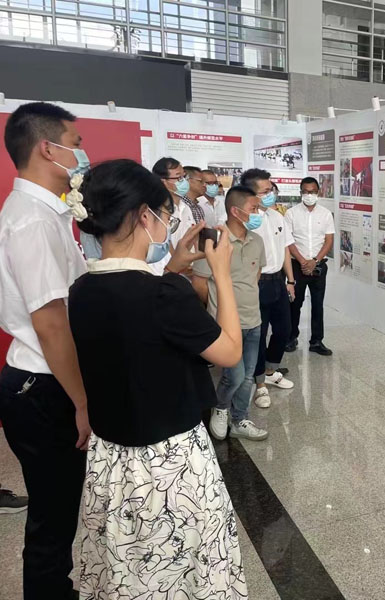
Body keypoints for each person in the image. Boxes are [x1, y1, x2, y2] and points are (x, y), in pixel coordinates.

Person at [69, 159, 247, 599]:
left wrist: (172, 268)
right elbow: (229, 351)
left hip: (111, 460)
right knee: (182, 566)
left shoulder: (82, 290)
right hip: (170, 464)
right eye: (166, 214)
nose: (168, 223)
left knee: (126, 564)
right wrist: (221, 274)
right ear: (144, 216)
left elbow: (139, 320)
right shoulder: (166, 295)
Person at [0, 102, 91, 600]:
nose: (81, 154)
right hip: (43, 385)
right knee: (52, 518)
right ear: (47, 148)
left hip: (45, 380)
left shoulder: (45, 212)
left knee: (56, 511)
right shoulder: (32, 220)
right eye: (75, 144)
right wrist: (81, 402)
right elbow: (51, 322)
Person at [193, 187, 269, 442]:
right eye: (253, 209)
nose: (258, 213)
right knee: (233, 376)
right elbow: (199, 283)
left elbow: (255, 275)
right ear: (235, 211)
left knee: (247, 376)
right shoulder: (214, 241)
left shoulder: (257, 240)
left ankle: (240, 419)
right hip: (226, 325)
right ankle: (221, 407)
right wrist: (216, 310)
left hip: (254, 320)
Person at [240, 168, 295, 406]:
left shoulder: (277, 217)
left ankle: (271, 371)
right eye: (265, 191)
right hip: (256, 283)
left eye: (271, 189)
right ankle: (259, 383)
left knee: (284, 330)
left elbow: (285, 249)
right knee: (258, 335)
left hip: (278, 281)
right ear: (251, 194)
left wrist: (290, 281)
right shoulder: (245, 221)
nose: (271, 194)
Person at [285, 177, 335, 356]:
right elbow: (288, 241)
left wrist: (315, 260)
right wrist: (302, 261)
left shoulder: (326, 214)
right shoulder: (291, 213)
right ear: (300, 192)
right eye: (305, 192)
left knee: (318, 304)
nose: (309, 195)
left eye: (312, 192)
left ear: (318, 192)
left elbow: (328, 241)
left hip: (318, 266)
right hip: (297, 266)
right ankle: (291, 338)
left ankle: (316, 341)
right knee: (295, 303)